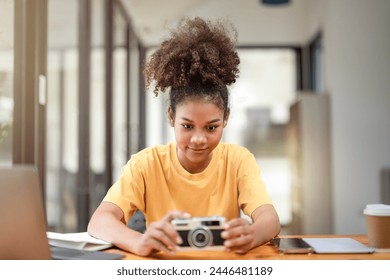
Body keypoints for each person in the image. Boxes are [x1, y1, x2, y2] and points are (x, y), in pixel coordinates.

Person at [88, 16, 280, 257]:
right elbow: (99, 221)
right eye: (187, 126)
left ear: (226, 119)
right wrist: (140, 242)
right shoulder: (146, 164)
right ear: (171, 117)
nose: (199, 139)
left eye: (211, 127)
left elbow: (269, 219)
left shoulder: (238, 160)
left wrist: (253, 234)